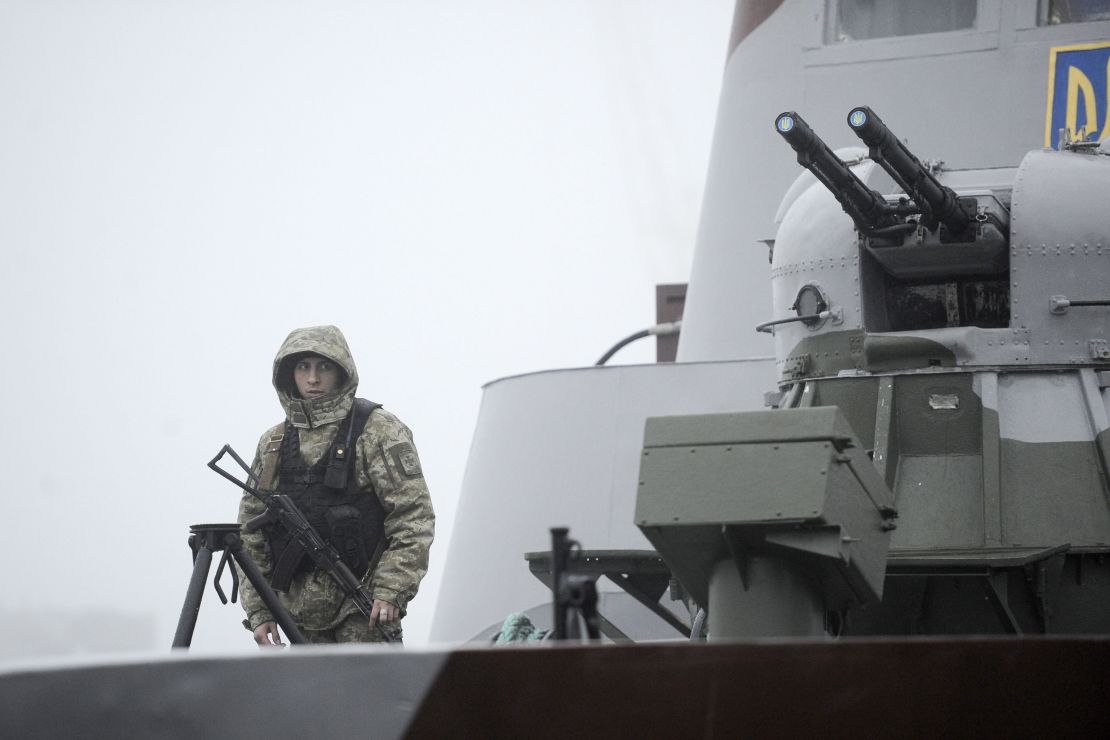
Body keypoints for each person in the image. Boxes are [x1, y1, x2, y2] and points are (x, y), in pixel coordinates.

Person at [236, 324, 434, 646]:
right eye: (303, 367)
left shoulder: (378, 431)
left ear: (341, 372)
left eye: (323, 367)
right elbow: (249, 532)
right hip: (295, 619)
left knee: (366, 697)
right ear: (290, 373)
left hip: (362, 612)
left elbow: (413, 517)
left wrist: (390, 592)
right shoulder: (273, 443)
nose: (313, 378)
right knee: (309, 698)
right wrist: (260, 611)